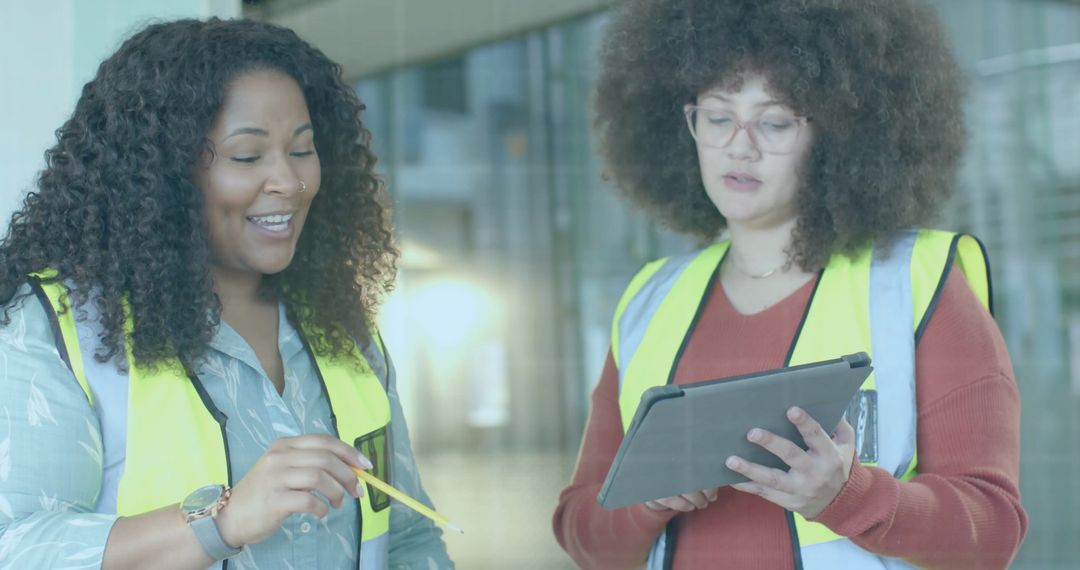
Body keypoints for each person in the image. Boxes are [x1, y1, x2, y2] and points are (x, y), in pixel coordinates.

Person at [553, 0, 1028, 568]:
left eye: (775, 120)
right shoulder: (651, 301)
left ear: (837, 131)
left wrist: (848, 497)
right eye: (718, 116)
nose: (740, 145)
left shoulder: (917, 285)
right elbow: (582, 534)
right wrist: (643, 504)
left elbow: (993, 531)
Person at [0, 18, 453, 570]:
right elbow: (18, 547)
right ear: (162, 173)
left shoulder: (340, 324)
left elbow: (406, 538)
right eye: (247, 157)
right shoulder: (53, 327)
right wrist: (224, 522)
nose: (289, 181)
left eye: (303, 150)